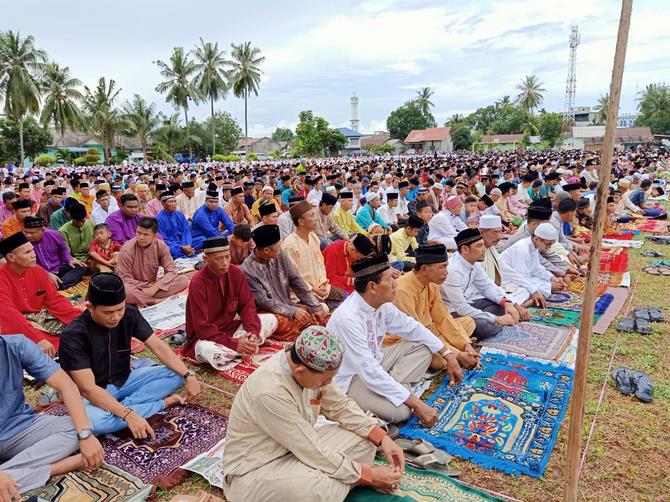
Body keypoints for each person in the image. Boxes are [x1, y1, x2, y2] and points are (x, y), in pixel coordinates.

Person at [223, 327, 404, 502]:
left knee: (366, 440)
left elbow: (340, 405)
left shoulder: (310, 370)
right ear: (300, 371)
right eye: (326, 380)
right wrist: (369, 475)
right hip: (257, 471)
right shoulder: (269, 392)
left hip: (296, 452)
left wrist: (382, 439)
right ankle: (348, 481)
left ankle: (344, 481)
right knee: (315, 488)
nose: (329, 383)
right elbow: (311, 449)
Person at [58, 272, 202, 436]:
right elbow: (88, 389)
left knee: (176, 373)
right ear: (90, 307)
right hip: (92, 394)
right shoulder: (73, 336)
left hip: (125, 380)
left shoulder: (129, 314)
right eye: (108, 312)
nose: (115, 317)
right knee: (97, 424)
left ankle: (124, 407)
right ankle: (158, 404)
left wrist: (189, 375)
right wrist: (128, 415)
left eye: (120, 309)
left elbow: (159, 347)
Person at [328, 253, 462, 424]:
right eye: (390, 278)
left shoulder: (382, 305)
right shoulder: (348, 319)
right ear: (372, 287)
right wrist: (416, 402)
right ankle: (395, 390)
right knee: (402, 412)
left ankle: (393, 389)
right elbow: (368, 371)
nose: (395, 283)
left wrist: (448, 354)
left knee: (424, 347)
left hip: (377, 361)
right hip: (350, 379)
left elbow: (412, 327)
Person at [0, 335, 104, 496]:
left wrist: (85, 435)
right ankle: (57, 467)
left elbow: (67, 385)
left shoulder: (16, 345)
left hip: (17, 428)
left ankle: (8, 476)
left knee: (77, 427)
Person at [182, 237, 278, 369]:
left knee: (270, 319)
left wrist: (252, 333)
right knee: (213, 353)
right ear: (206, 259)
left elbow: (247, 306)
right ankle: (246, 348)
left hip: (229, 330)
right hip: (206, 338)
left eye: (227, 257)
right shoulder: (198, 283)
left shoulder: (236, 273)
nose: (225, 263)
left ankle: (249, 344)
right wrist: (234, 344)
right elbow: (202, 328)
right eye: (219, 259)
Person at [390, 244, 478, 367]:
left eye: (446, 266)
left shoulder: (432, 283)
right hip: (406, 338)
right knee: (439, 361)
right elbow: (414, 332)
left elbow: (442, 317)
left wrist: (466, 345)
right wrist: (456, 353)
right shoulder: (402, 289)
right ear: (425, 269)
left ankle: (454, 348)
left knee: (469, 322)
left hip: (429, 329)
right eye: (442, 267)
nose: (446, 272)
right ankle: (450, 351)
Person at [242, 225, 327, 341]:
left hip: (287, 304)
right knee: (284, 322)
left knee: (320, 310)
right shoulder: (247, 269)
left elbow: (295, 279)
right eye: (278, 246)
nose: (280, 248)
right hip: (267, 312)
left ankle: (302, 330)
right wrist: (292, 312)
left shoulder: (280, 254)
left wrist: (314, 305)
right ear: (267, 250)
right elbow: (263, 301)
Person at [0, 232, 80, 356]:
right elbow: (7, 312)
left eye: (32, 250)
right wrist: (37, 338)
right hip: (11, 320)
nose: (33, 255)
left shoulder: (39, 271)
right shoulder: (2, 277)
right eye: (27, 252)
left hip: (38, 316)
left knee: (78, 326)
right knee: (37, 344)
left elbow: (55, 300)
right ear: (11, 257)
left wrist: (79, 318)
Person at [442, 228, 528, 340]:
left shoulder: (473, 262)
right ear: (465, 249)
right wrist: (499, 319)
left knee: (501, 306)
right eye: (479, 246)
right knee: (484, 327)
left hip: (470, 302)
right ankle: (493, 323)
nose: (484, 249)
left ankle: (491, 322)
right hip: (453, 311)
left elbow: (487, 286)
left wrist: (506, 303)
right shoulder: (453, 271)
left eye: (483, 245)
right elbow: (462, 308)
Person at [282, 200, 346, 308]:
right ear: (301, 222)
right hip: (302, 292)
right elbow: (293, 277)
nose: (316, 218)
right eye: (312, 215)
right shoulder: (290, 245)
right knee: (323, 309)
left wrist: (322, 282)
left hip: (320, 286)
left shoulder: (313, 237)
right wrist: (312, 289)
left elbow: (320, 263)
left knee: (347, 297)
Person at [116, 217, 189, 307]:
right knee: (125, 291)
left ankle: (143, 300)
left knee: (183, 280)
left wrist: (156, 287)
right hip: (136, 287)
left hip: (154, 286)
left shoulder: (161, 246)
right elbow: (125, 279)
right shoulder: (126, 250)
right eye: (138, 233)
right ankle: (155, 301)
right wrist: (149, 286)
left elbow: (171, 270)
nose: (141, 237)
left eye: (146, 235)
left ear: (154, 236)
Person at [499, 222, 562, 308]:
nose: (549, 247)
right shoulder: (521, 249)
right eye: (548, 244)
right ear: (536, 239)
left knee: (537, 287)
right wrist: (549, 286)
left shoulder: (534, 247)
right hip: (508, 281)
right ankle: (521, 306)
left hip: (523, 278)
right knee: (524, 291)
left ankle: (530, 301)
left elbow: (536, 268)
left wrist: (552, 278)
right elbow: (522, 278)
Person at [23, 216, 86, 289]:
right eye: (26, 232)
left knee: (80, 266)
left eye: (32, 233)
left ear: (43, 230)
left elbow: (63, 249)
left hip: (57, 268)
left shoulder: (55, 234)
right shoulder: (23, 241)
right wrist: (46, 274)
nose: (28, 235)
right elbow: (30, 264)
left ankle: (57, 284)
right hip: (39, 272)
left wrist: (69, 259)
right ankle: (58, 284)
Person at [155, 191, 195, 259]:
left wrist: (187, 244)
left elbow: (186, 230)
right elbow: (163, 238)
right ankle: (189, 252)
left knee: (202, 240)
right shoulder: (159, 218)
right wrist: (181, 247)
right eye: (170, 202)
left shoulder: (179, 214)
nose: (174, 204)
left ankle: (188, 250)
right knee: (172, 251)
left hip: (184, 242)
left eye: (174, 201)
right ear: (163, 203)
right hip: (173, 245)